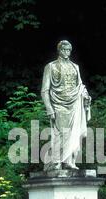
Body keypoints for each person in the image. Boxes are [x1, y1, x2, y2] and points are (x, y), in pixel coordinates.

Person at [41, 40, 92, 170]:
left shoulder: (75, 67)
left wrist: (85, 96)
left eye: (68, 50)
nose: (66, 52)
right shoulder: (51, 66)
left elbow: (80, 86)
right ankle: (57, 161)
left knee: (73, 132)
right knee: (60, 133)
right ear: (59, 50)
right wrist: (49, 109)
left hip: (74, 102)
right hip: (58, 103)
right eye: (64, 50)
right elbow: (45, 90)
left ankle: (69, 161)